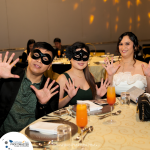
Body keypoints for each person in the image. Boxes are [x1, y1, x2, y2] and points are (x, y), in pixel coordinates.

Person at [0, 42, 60, 137]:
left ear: (49, 66)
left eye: (45, 59)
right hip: (4, 136)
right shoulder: (9, 75)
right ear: (28, 56)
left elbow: (50, 123)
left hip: (34, 139)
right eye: (36, 55)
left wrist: (42, 105)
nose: (39, 61)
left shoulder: (51, 87)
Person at [56, 42, 110, 108]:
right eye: (78, 56)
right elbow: (56, 106)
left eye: (84, 57)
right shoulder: (62, 78)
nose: (81, 60)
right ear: (70, 58)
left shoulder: (90, 76)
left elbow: (91, 102)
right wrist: (68, 97)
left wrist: (98, 96)